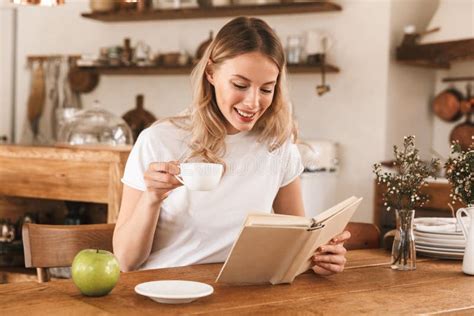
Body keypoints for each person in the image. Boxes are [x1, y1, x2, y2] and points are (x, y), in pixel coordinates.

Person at [113, 16, 350, 276]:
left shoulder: (278, 145)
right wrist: (152, 198)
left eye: (266, 89)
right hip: (167, 291)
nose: (253, 102)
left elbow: (294, 242)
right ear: (211, 73)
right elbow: (126, 261)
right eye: (240, 85)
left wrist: (320, 258)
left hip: (242, 294)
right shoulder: (159, 140)